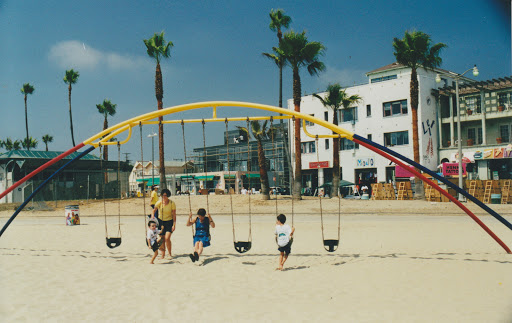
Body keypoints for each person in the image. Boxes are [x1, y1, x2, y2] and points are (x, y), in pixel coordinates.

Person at [151, 188, 176, 259]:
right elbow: (154, 210)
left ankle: (170, 254)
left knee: (167, 238)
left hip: (169, 221)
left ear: (168, 196)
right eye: (163, 196)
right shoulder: (159, 202)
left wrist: (174, 224)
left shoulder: (172, 203)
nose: (164, 197)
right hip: (161, 222)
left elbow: (174, 215)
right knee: (162, 239)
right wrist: (152, 216)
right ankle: (163, 254)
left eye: (165, 195)